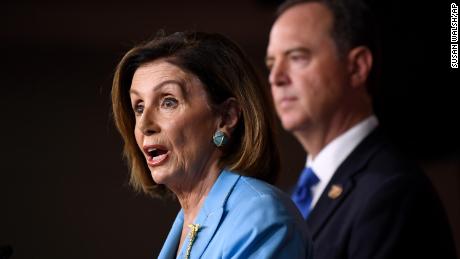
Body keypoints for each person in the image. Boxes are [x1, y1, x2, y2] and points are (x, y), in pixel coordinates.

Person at [266, 0, 457, 258]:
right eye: (271, 64)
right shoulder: (289, 199)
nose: (276, 77)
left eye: (297, 57)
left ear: (356, 67)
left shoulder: (392, 193)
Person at [112, 31, 312, 258]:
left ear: (226, 117)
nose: (144, 125)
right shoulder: (186, 223)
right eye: (138, 106)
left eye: (168, 102)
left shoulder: (261, 215)